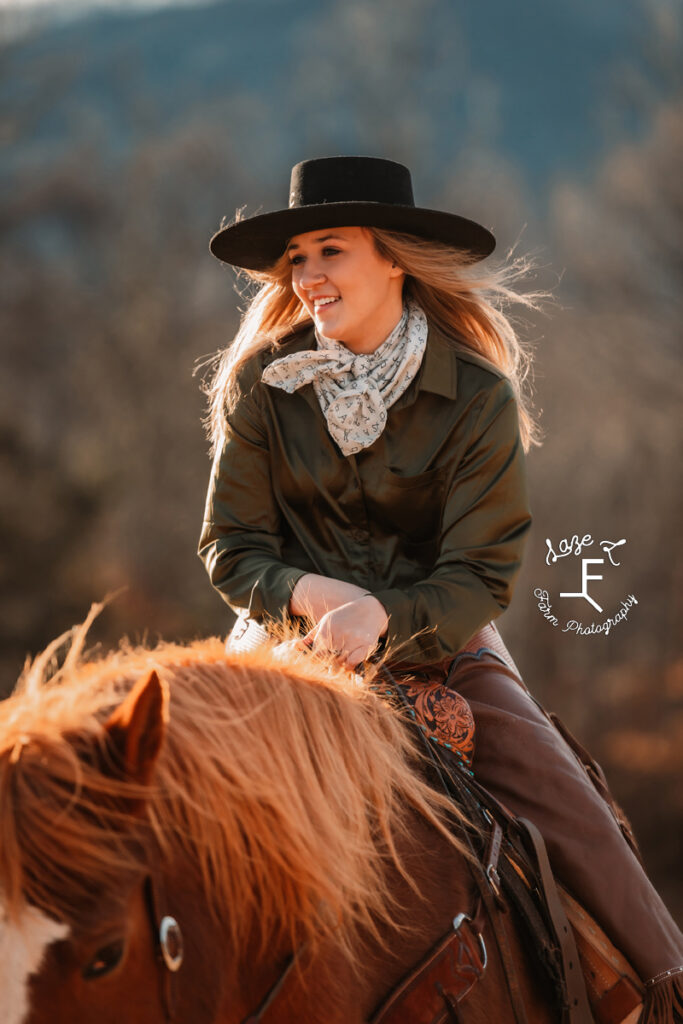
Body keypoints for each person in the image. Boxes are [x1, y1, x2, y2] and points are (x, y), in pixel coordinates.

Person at [198, 155, 683, 1018]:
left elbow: (479, 573)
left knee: (576, 816)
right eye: (298, 258)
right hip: (282, 645)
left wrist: (380, 620)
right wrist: (315, 598)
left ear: (393, 258)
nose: (308, 276)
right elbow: (230, 548)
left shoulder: (476, 395)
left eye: (330, 251)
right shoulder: (260, 386)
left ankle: (664, 989)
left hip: (443, 643)